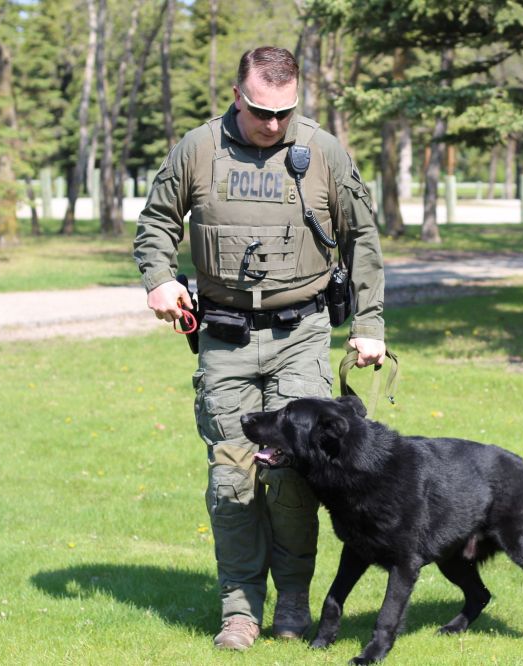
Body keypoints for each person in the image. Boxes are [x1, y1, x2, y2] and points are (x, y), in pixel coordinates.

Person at [132, 46, 386, 651]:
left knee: (297, 477)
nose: (273, 124)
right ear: (237, 94)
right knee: (233, 477)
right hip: (222, 339)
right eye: (260, 112)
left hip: (301, 335)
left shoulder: (322, 151)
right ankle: (240, 611)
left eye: (285, 112)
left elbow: (364, 238)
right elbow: (156, 223)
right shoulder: (197, 149)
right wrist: (159, 279)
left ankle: (293, 605)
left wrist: (369, 323)